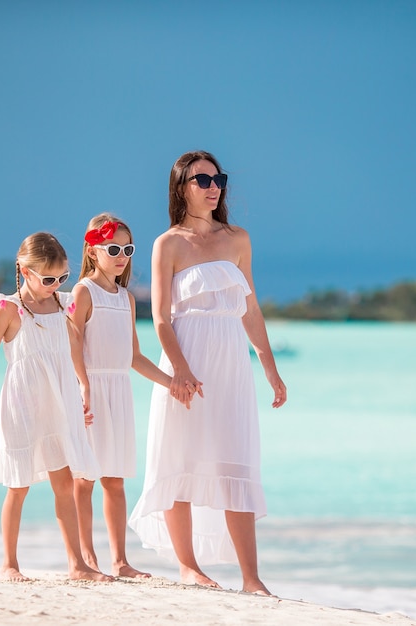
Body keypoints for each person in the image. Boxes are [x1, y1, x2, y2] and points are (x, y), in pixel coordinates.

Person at [128, 151, 287, 595]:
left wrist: (271, 370)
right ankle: (188, 566)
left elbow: (250, 309)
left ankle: (252, 579)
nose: (213, 186)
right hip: (185, 357)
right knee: (178, 456)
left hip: (233, 363)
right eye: (202, 180)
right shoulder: (168, 244)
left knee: (236, 460)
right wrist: (180, 370)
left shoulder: (238, 239)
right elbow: (160, 317)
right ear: (181, 187)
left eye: (218, 178)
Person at [0, 231, 113, 583]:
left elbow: (70, 353)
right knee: (18, 485)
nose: (55, 284)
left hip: (59, 402)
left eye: (62, 277)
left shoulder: (64, 304)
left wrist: (82, 388)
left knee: (64, 482)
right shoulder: (8, 308)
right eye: (48, 278)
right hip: (22, 404)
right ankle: (9, 563)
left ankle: (77, 565)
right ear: (23, 269)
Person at [69, 213, 194, 579]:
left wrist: (170, 382)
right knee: (85, 478)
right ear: (93, 251)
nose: (122, 255)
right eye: (113, 248)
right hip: (90, 389)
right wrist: (82, 385)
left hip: (119, 392)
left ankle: (120, 561)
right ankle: (87, 558)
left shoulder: (125, 298)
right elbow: (72, 341)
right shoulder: (83, 292)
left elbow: (134, 356)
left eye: (127, 248)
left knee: (115, 480)